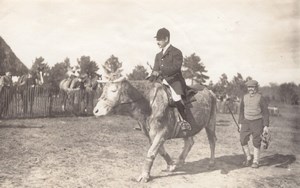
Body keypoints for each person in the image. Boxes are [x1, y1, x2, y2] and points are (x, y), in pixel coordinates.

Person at [148, 27, 191, 130]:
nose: (157, 42)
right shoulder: (158, 55)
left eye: (159, 39)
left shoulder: (176, 52)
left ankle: (184, 121)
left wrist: (161, 72)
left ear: (166, 39)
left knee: (176, 97)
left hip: (174, 82)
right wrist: (150, 79)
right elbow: (155, 70)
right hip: (161, 82)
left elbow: (176, 68)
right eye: (156, 39)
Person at [238, 80, 269, 168]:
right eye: (249, 87)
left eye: (252, 87)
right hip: (246, 121)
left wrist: (266, 125)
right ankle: (248, 158)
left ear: (256, 88)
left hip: (257, 122)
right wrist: (240, 123)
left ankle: (256, 161)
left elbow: (265, 112)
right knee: (242, 139)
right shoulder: (244, 97)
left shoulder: (260, 98)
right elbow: (241, 111)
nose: (250, 89)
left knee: (256, 141)